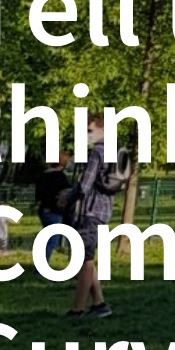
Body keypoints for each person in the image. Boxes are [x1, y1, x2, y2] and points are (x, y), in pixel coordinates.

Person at [68, 111, 116, 318]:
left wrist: (67, 196)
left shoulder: (96, 152)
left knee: (84, 259)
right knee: (87, 258)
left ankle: (78, 309)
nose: (86, 135)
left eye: (90, 130)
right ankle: (99, 304)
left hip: (89, 210)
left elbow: (85, 185)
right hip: (104, 210)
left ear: (102, 130)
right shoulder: (112, 152)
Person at [34, 151, 71, 261]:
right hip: (54, 211)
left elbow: (38, 195)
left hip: (43, 210)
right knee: (52, 239)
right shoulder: (60, 177)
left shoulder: (42, 175)